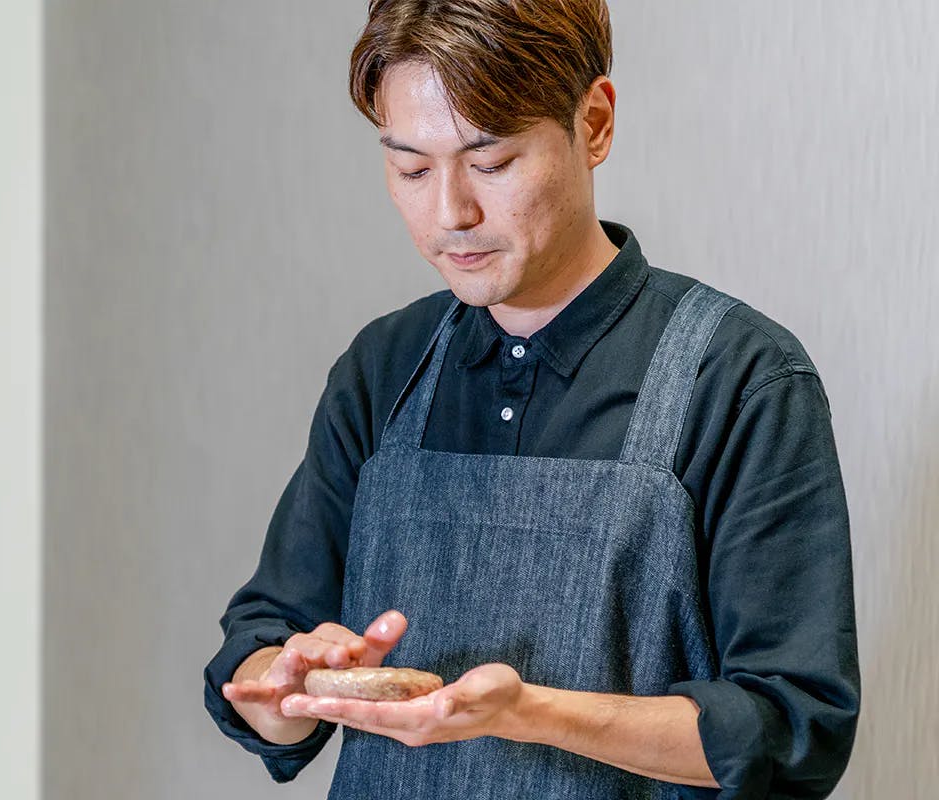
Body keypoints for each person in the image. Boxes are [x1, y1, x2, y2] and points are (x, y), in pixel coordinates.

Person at [202, 1, 860, 797]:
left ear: (594, 124)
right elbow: (265, 646)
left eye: (491, 161)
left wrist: (527, 713)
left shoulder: (739, 377)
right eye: (411, 169)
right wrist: (285, 683)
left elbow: (793, 729)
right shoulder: (384, 368)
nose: (451, 213)